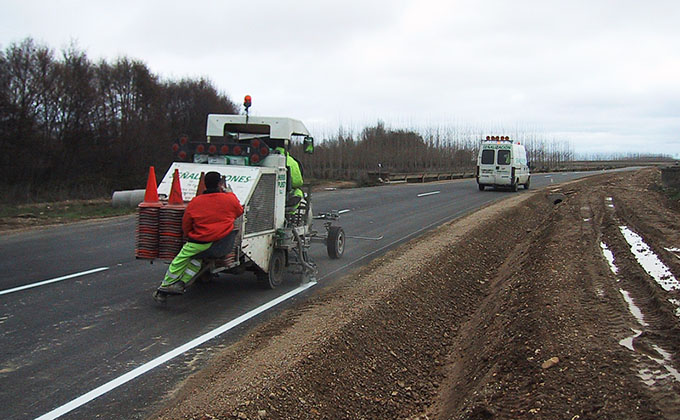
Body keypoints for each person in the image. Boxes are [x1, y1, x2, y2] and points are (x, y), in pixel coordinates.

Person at [158, 171, 243, 294]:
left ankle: (166, 285)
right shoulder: (230, 199)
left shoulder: (196, 202)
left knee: (181, 259)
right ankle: (182, 283)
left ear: (205, 184)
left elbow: (186, 224)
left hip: (201, 241)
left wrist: (189, 235)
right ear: (220, 184)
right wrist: (229, 193)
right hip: (222, 243)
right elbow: (239, 211)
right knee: (196, 261)